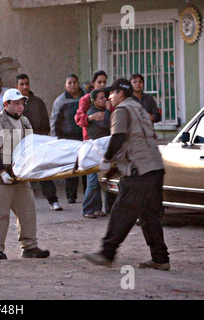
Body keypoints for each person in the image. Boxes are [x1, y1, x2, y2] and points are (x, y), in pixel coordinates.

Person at [83, 78, 170, 271]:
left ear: (120, 93)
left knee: (122, 211)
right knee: (150, 216)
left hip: (138, 169)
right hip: (155, 167)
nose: (109, 98)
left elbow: (119, 137)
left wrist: (106, 159)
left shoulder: (121, 110)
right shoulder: (138, 108)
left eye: (111, 94)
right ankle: (160, 258)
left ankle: (107, 253)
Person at [0, 88, 50, 260]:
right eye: (16, 104)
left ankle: (30, 247)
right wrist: (2, 172)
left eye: (22, 103)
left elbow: (28, 147)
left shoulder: (24, 122)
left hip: (19, 175)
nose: (20, 107)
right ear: (6, 104)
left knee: (27, 211)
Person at [16, 73, 62, 211]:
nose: (25, 86)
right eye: (21, 84)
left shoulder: (37, 102)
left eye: (26, 83)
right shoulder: (14, 104)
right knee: (20, 173)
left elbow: (45, 122)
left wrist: (42, 138)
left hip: (37, 142)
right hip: (20, 144)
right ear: (17, 86)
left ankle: (53, 200)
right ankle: (20, 203)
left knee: (44, 172)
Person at [75, 70, 116, 215]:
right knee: (93, 176)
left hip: (106, 141)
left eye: (104, 82)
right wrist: (91, 117)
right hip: (92, 140)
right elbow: (79, 118)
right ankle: (90, 208)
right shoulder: (86, 99)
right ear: (93, 84)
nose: (102, 84)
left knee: (106, 176)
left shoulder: (108, 97)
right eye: (99, 82)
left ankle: (100, 209)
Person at [50, 74, 87, 204]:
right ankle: (71, 196)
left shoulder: (86, 97)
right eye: (69, 83)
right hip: (68, 138)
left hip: (84, 136)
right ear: (65, 85)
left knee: (87, 165)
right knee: (72, 168)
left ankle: (88, 194)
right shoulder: (60, 101)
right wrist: (55, 139)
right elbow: (55, 120)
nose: (72, 85)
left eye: (75, 82)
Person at [81, 89, 111, 219]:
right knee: (93, 180)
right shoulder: (93, 113)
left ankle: (97, 208)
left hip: (103, 149)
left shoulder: (103, 112)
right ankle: (87, 208)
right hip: (94, 150)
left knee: (100, 181)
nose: (105, 100)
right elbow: (105, 125)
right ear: (94, 100)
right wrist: (109, 111)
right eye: (101, 98)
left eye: (105, 97)